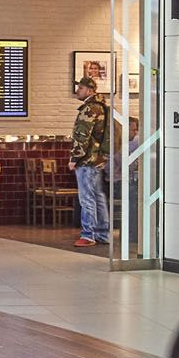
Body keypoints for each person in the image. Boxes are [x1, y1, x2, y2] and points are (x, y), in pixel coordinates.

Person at [70, 77, 111, 248]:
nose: (78, 91)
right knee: (99, 196)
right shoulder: (102, 106)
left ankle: (88, 235)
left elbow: (82, 137)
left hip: (87, 160)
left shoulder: (89, 109)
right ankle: (103, 233)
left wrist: (74, 158)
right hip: (99, 158)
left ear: (90, 90)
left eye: (80, 88)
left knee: (87, 198)